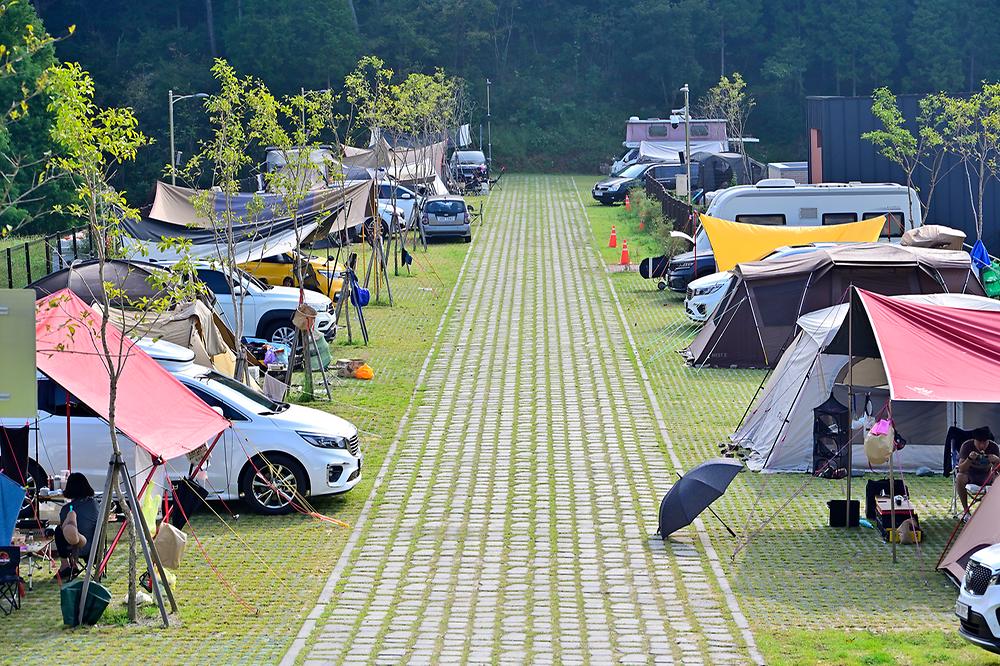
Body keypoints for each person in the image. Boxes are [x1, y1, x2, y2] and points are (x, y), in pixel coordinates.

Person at [54, 473, 101, 581]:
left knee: (59, 530)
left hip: (75, 548)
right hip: (95, 548)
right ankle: (72, 565)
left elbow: (64, 531)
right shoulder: (94, 504)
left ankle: (66, 565)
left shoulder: (66, 509)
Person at [956, 427, 1000, 514]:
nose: (982, 446)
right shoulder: (967, 446)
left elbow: (997, 469)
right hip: (970, 475)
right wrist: (969, 459)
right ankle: (966, 511)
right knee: (959, 477)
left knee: (998, 479)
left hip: (987, 475)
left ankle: (995, 511)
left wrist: (997, 460)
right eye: (979, 442)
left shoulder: (994, 447)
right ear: (974, 440)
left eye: (985, 443)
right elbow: (961, 469)